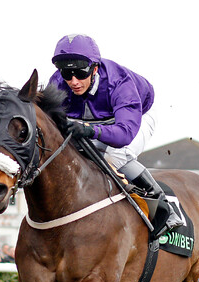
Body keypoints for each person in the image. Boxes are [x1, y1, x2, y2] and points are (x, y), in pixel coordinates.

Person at [49, 34, 184, 239]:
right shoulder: (58, 83)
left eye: (80, 73)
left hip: (134, 117)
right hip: (95, 121)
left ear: (95, 68)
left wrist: (89, 130)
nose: (74, 81)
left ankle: (164, 209)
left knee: (115, 156)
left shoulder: (120, 83)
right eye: (67, 74)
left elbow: (124, 135)